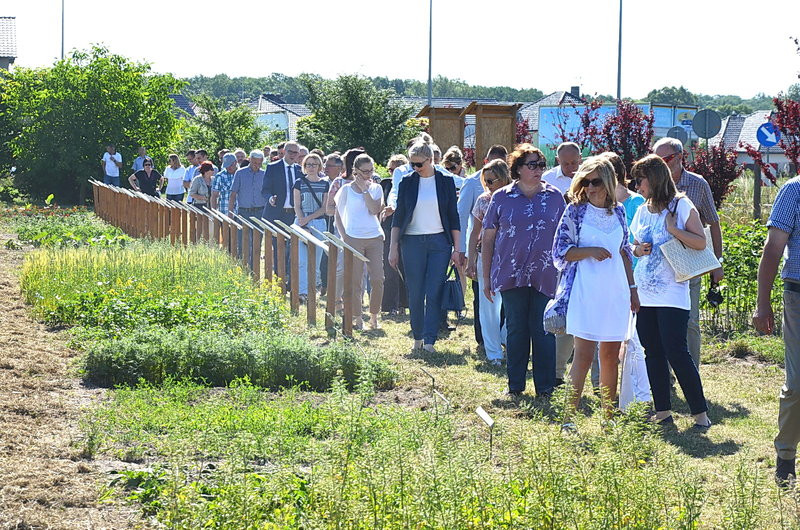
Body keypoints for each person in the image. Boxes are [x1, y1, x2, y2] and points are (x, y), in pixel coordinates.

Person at [630, 154, 711, 430]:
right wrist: (637, 250)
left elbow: (700, 243)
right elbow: (633, 245)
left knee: (677, 352)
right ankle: (663, 411)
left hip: (672, 294)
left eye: (639, 180)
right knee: (652, 351)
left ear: (654, 179)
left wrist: (674, 229)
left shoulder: (681, 205)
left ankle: (700, 414)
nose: (636, 186)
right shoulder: (642, 210)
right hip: (645, 293)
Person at [551, 156, 637, 415]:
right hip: (585, 291)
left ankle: (608, 417)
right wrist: (589, 251)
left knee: (610, 357)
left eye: (595, 182)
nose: (589, 187)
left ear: (608, 182)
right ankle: (568, 417)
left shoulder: (619, 211)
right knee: (583, 356)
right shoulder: (575, 211)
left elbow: (625, 252)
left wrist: (633, 290)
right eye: (585, 182)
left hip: (616, 291)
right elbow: (560, 252)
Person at [481, 144, 564, 397]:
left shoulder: (555, 197)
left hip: (546, 274)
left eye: (542, 165)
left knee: (543, 329)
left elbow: (565, 236)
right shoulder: (501, 197)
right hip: (511, 272)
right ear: (517, 168)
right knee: (516, 329)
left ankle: (545, 388)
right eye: (532, 165)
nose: (539, 170)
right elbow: (488, 238)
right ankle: (515, 386)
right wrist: (486, 277)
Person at [653, 137, 724, 371]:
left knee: (690, 320)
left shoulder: (697, 184)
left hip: (689, 260)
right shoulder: (652, 184)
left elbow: (713, 222)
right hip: (658, 263)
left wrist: (717, 262)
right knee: (660, 323)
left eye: (666, 158)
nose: (661, 164)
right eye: (657, 159)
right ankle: (666, 375)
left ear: (680, 156)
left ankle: (690, 372)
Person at [389, 141, 462, 352]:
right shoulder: (407, 182)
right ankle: (417, 337)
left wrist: (457, 249)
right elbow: (399, 217)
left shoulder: (446, 182)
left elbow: (453, 217)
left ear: (431, 160)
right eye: (412, 164)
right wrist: (393, 247)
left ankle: (430, 339)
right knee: (415, 291)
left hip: (440, 242)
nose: (415, 168)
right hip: (411, 241)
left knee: (434, 291)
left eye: (419, 164)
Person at [752, 175, 800, 486]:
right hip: (798, 296)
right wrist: (763, 303)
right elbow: (772, 249)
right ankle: (785, 455)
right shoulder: (793, 191)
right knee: (798, 383)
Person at [603, 151, 650, 410]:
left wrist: (634, 250)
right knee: (608, 338)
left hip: (633, 278)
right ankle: (606, 389)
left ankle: (636, 397)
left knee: (632, 340)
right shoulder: (599, 205)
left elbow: (637, 242)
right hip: (609, 278)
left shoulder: (635, 202)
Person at [458, 145, 508, 349]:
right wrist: (470, 259)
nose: (487, 185)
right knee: (487, 305)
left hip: (510, 257)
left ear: (504, 178)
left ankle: (506, 339)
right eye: (485, 181)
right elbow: (474, 232)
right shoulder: (483, 200)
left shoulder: (516, 197)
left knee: (512, 304)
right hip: (485, 256)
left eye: (491, 181)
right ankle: (492, 349)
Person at [335, 153, 385, 330]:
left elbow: (374, 210)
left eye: (371, 170)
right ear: (355, 171)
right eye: (365, 171)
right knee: (355, 280)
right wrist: (344, 237)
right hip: (353, 237)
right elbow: (338, 215)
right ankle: (357, 317)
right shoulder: (346, 190)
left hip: (374, 237)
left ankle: (374, 315)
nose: (369, 174)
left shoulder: (376, 188)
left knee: (378, 278)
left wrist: (365, 189)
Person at [293, 153, 329, 304]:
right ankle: (302, 292)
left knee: (315, 260)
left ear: (319, 166)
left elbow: (324, 208)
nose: (311, 167)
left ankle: (313, 289)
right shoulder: (299, 183)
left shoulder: (325, 184)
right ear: (304, 166)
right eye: (308, 164)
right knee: (302, 260)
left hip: (318, 223)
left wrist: (308, 219)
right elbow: (297, 205)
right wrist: (303, 222)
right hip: (301, 221)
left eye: (314, 164)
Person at [380, 155, 409, 315]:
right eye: (390, 169)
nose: (391, 173)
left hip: (405, 229)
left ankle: (404, 304)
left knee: (404, 267)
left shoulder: (409, 185)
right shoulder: (385, 184)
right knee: (389, 268)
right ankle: (389, 305)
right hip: (387, 228)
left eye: (394, 169)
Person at [229, 150, 266, 266]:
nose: (256, 165)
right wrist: (230, 213)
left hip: (260, 212)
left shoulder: (264, 174)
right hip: (244, 212)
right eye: (254, 163)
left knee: (257, 242)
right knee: (243, 242)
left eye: (259, 163)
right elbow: (233, 194)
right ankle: (244, 267)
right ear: (250, 159)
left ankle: (255, 268)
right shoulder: (240, 173)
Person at [263, 141, 302, 226]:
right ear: (284, 151)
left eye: (295, 153)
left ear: (298, 154)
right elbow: (265, 190)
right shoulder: (272, 167)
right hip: (275, 213)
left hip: (294, 215)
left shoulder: (301, 170)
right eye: (290, 152)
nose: (292, 155)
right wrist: (270, 198)